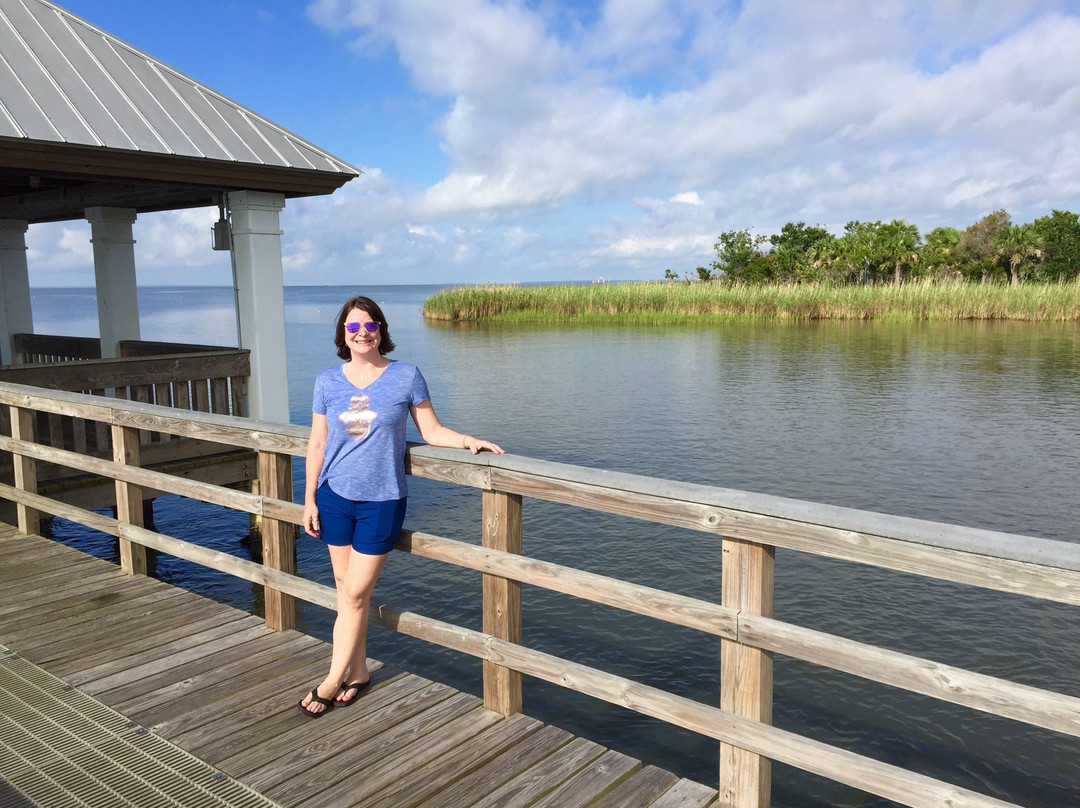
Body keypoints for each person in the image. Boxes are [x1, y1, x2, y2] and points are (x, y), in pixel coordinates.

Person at [297, 295, 504, 718]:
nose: (361, 334)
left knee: (354, 594)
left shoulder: (406, 375)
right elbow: (317, 443)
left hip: (382, 500)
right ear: (342, 333)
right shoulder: (326, 381)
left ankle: (331, 679)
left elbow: (431, 430)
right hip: (334, 496)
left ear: (381, 330)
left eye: (369, 326)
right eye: (352, 327)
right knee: (344, 588)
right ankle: (357, 673)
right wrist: (309, 498)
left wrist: (467, 441)